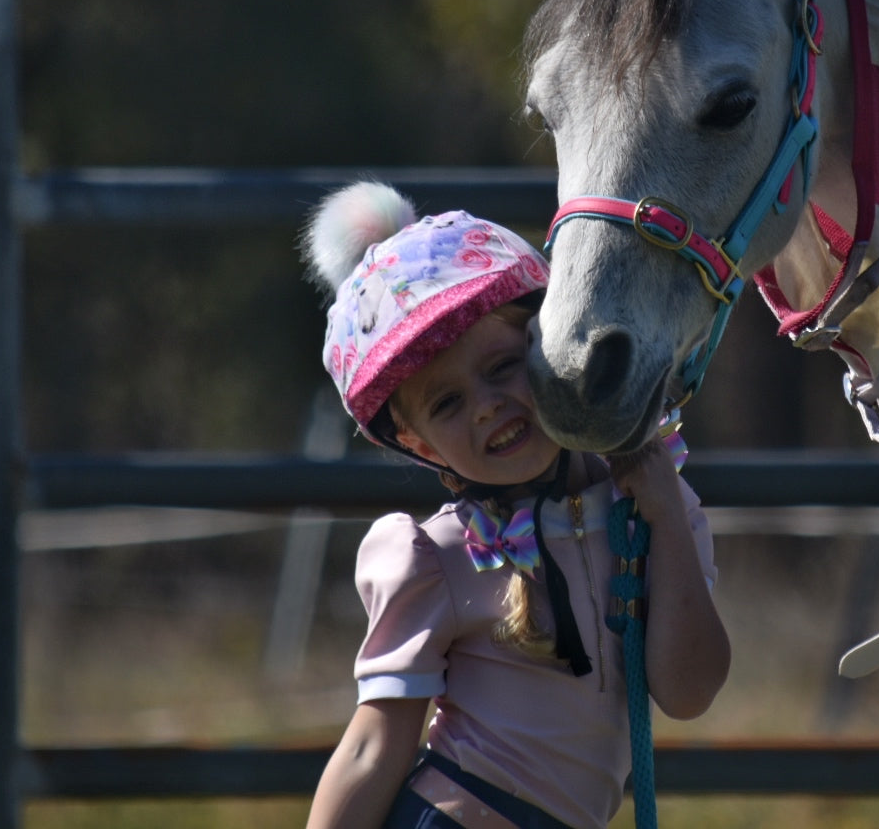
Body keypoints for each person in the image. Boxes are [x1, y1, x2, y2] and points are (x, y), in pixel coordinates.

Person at [300, 181, 730, 829]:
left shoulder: (648, 507)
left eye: (501, 366)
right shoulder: (437, 558)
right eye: (446, 403)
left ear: (546, 343)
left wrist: (666, 512)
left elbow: (689, 692)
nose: (484, 405)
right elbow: (372, 746)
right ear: (417, 442)